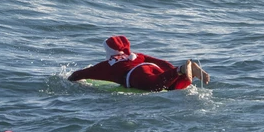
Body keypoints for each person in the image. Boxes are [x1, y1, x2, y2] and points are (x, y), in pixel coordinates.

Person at [68, 35, 210, 91]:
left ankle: (181, 70)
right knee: (172, 85)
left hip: (136, 74)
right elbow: (159, 62)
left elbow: (80, 74)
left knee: (154, 85)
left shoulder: (107, 65)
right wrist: (172, 68)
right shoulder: (135, 56)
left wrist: (69, 79)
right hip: (151, 67)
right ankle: (185, 73)